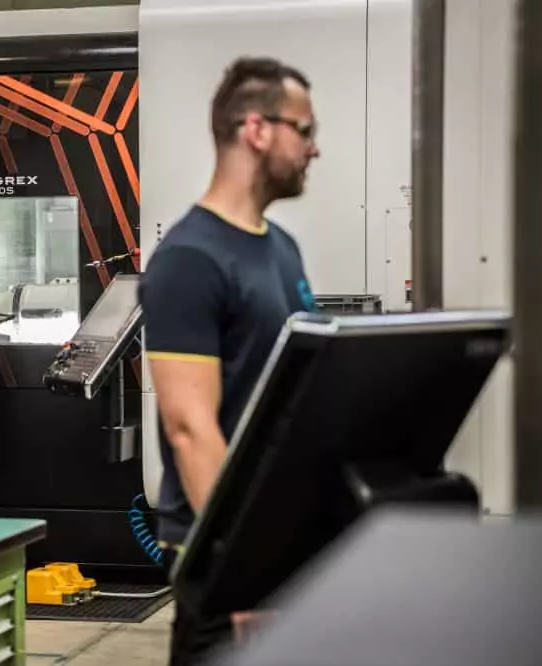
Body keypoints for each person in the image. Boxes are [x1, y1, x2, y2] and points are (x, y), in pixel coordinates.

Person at [139, 57, 321, 664]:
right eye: (305, 129)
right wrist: (245, 571)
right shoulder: (190, 258)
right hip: (228, 560)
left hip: (282, 542)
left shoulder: (281, 248)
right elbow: (191, 430)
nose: (314, 149)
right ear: (257, 129)